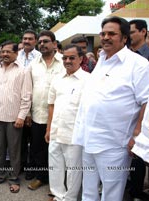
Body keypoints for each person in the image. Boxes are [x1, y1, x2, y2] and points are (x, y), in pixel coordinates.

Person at [72, 16, 149, 201]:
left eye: (111, 33)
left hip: (115, 143)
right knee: (89, 190)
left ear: (124, 38)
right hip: (89, 139)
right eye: (103, 33)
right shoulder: (102, 61)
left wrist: (137, 135)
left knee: (111, 193)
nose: (105, 37)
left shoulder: (138, 64)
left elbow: (146, 101)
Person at [0, 41, 32, 193]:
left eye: (8, 52)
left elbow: (27, 96)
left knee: (14, 151)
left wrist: (21, 116)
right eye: (2, 51)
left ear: (16, 53)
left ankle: (14, 178)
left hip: (14, 119)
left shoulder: (23, 71)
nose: (5, 54)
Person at [45, 44, 90, 201]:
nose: (67, 61)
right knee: (55, 165)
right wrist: (48, 128)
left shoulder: (88, 80)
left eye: (72, 57)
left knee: (73, 169)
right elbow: (51, 105)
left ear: (81, 59)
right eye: (65, 57)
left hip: (74, 134)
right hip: (56, 131)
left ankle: (70, 198)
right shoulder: (57, 79)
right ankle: (58, 195)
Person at [26, 30, 64, 191]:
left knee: (57, 150)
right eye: (40, 42)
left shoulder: (64, 62)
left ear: (54, 44)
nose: (42, 44)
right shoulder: (33, 64)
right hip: (38, 115)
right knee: (38, 148)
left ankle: (58, 181)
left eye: (46, 41)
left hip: (60, 115)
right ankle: (42, 177)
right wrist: (27, 112)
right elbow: (27, 89)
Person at [128, 19, 149, 200]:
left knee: (143, 153)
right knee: (132, 156)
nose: (129, 34)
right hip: (128, 115)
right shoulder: (125, 56)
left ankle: (138, 191)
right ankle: (131, 189)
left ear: (143, 32)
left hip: (145, 115)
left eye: (132, 31)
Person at [17, 29, 41, 180]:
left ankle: (32, 168)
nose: (26, 41)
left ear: (36, 41)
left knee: (34, 141)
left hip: (35, 104)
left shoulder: (39, 58)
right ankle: (21, 165)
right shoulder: (17, 56)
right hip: (18, 105)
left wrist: (29, 112)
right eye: (24, 38)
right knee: (20, 139)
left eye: (30, 39)